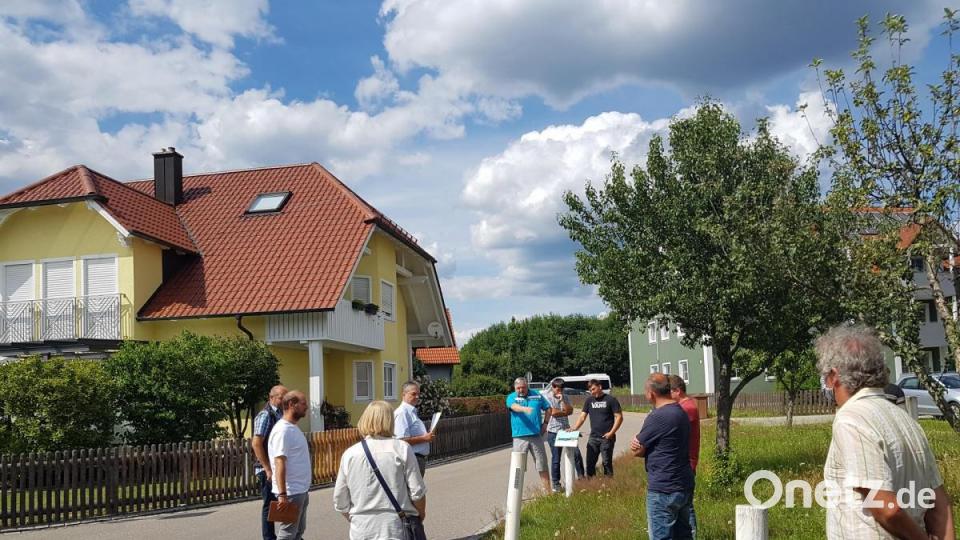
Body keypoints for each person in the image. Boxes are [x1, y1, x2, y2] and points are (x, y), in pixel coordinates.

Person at [817, 324, 954, 540]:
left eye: (825, 377)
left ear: (834, 376)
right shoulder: (906, 421)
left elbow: (886, 508)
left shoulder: (851, 419)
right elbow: (940, 507)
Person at [334, 401, 427, 540]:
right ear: (390, 421)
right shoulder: (401, 448)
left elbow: (340, 500)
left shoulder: (350, 454)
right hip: (395, 526)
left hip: (362, 529)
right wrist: (420, 515)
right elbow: (417, 492)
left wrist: (358, 518)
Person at [630, 373, 694, 540]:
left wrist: (638, 446)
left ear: (651, 393)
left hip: (663, 487)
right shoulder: (681, 411)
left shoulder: (657, 416)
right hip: (683, 484)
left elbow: (637, 449)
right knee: (684, 535)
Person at [268, 390, 312, 540]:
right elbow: (279, 462)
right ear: (292, 405)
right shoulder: (283, 430)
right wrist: (282, 495)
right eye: (303, 403)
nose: (306, 407)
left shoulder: (291, 427)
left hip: (300, 489)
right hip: (291, 491)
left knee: (298, 532)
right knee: (287, 534)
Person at [506, 376, 553, 491]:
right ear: (514, 388)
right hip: (519, 438)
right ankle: (516, 496)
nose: (521, 390)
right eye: (518, 388)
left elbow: (548, 408)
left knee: (542, 465)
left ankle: (548, 493)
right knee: (519, 467)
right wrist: (523, 409)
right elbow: (513, 406)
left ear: (527, 386)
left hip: (536, 436)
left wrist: (545, 424)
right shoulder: (511, 397)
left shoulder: (536, 395)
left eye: (523, 387)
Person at [252, 384, 287, 540]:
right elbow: (257, 443)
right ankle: (269, 538)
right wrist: (267, 468)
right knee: (270, 505)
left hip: (276, 467)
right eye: (281, 397)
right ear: (271, 397)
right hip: (267, 469)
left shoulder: (280, 414)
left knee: (279, 502)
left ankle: (289, 535)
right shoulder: (265, 415)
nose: (284, 400)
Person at [568, 379, 623, 477]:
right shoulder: (589, 400)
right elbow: (582, 416)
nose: (592, 392)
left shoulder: (611, 400)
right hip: (593, 438)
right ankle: (591, 485)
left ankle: (609, 485)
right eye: (590, 390)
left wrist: (611, 433)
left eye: (593, 389)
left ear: (600, 387)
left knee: (606, 463)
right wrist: (574, 428)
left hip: (607, 438)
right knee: (590, 464)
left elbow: (619, 417)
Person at [668, 374, 699, 537]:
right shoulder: (687, 406)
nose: (668, 397)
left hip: (686, 462)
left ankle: (691, 535)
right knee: (685, 505)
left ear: (677, 391)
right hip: (686, 461)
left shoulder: (687, 408)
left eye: (669, 393)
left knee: (686, 507)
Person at [541, 378, 584, 492]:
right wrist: (564, 411)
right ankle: (556, 484)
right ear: (552, 387)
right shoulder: (547, 397)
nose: (557, 390)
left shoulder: (565, 397)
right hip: (554, 431)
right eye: (555, 387)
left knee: (576, 454)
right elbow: (553, 413)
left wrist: (563, 402)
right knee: (556, 458)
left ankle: (581, 478)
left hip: (566, 430)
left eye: (559, 388)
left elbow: (570, 411)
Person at [394, 381, 435, 478]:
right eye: (413, 394)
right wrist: (424, 438)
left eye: (418, 394)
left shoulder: (411, 412)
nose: (417, 397)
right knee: (415, 492)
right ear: (403, 394)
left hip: (416, 459)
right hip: (411, 460)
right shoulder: (402, 413)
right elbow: (401, 440)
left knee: (417, 492)